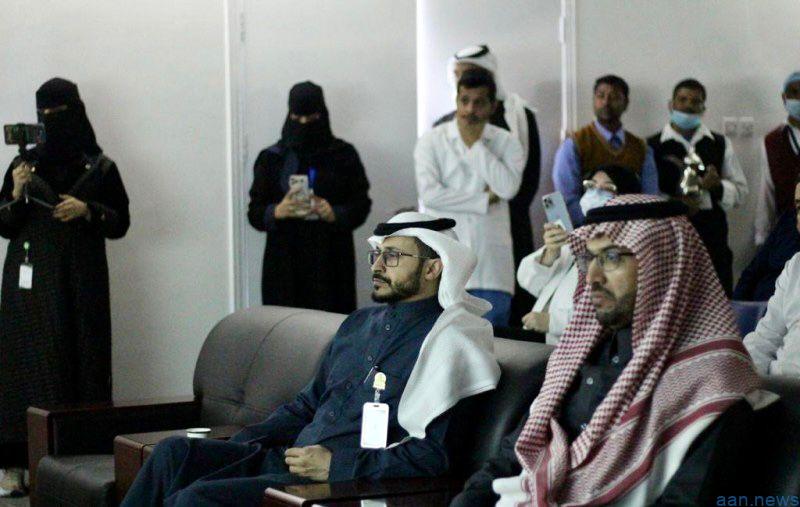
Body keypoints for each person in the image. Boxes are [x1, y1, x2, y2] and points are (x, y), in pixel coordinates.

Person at [121, 212, 501, 507]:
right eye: (376, 255)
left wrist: (337, 465)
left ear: (433, 268)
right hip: (289, 460)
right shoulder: (358, 324)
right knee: (174, 454)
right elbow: (307, 404)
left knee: (195, 499)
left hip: (340, 483)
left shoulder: (451, 343)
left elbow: (433, 455)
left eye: (392, 256)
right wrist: (243, 442)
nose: (376, 266)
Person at [452, 195, 772, 506]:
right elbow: (515, 453)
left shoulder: (714, 384)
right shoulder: (578, 352)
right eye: (590, 259)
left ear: (662, 264)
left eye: (612, 258)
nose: (592, 276)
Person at [0, 78, 130, 496]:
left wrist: (88, 210)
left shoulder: (101, 166)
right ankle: (16, 462)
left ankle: (84, 462)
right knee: (27, 367)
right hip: (32, 287)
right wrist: (17, 190)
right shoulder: (24, 165)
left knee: (84, 363)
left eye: (58, 115)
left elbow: (121, 222)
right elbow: (4, 223)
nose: (51, 122)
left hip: (82, 283)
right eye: (44, 116)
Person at [433, 44, 542, 324]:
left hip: (510, 227)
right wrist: (479, 198)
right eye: (458, 74)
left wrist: (497, 198)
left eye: (469, 72)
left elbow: (525, 182)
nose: (463, 79)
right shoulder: (442, 127)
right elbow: (438, 190)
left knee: (508, 319)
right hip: (458, 231)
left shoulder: (518, 118)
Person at [248, 81, 371, 313]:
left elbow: (361, 205)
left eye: (311, 118)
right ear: (290, 115)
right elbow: (254, 213)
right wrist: (276, 211)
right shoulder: (272, 158)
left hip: (331, 265)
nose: (304, 124)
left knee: (331, 329)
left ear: (321, 115)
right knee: (284, 329)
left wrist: (335, 213)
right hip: (284, 267)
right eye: (298, 118)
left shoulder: (343, 155)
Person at [415, 67, 524, 327]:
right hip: (445, 261)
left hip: (491, 266)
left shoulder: (506, 142)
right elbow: (430, 195)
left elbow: (508, 189)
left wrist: (476, 146)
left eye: (478, 103)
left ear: (492, 106)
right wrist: (483, 200)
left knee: (495, 341)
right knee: (442, 339)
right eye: (464, 101)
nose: (469, 110)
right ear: (456, 100)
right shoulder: (431, 141)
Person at [516, 165, 641, 344]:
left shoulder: (626, 249)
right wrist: (550, 253)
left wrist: (553, 322)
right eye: (591, 186)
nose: (595, 193)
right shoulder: (576, 238)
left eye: (607, 188)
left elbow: (613, 311)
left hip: (577, 347)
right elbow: (529, 282)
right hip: (540, 340)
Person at [648, 78, 748, 296]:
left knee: (718, 300)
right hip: (669, 237)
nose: (688, 106)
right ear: (671, 104)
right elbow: (647, 196)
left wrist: (717, 187)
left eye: (695, 101)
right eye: (682, 100)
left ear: (703, 108)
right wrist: (675, 204)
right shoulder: (653, 146)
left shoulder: (719, 143)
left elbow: (741, 193)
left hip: (712, 237)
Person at [552, 75, 659, 226]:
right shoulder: (574, 144)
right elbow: (567, 199)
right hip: (585, 228)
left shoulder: (641, 148)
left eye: (614, 97)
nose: (606, 102)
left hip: (632, 229)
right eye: (600, 96)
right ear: (593, 100)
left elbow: (650, 198)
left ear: (626, 103)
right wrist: (596, 227)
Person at [744, 180, 800, 376]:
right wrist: (743, 378)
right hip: (776, 386)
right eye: (799, 208)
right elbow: (765, 338)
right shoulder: (795, 266)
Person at [734, 179, 800, 301]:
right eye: (799, 207)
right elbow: (753, 270)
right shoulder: (788, 221)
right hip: (758, 305)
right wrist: (734, 307)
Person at [755, 71, 800, 245]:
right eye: (794, 93)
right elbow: (767, 191)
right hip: (787, 227)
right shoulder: (772, 141)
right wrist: (762, 235)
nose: (799, 98)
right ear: (784, 97)